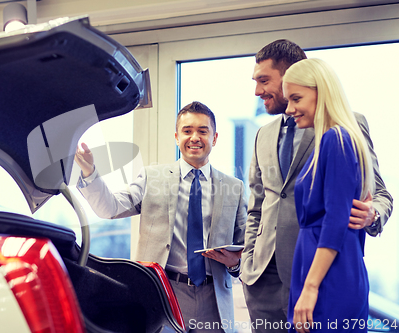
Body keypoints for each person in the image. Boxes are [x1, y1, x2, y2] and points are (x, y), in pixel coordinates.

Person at [240, 39, 393, 333]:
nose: (257, 91)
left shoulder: (345, 127)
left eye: (263, 80)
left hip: (320, 270)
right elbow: (257, 206)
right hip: (263, 280)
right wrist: (248, 261)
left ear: (293, 76)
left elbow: (379, 193)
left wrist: (372, 213)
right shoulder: (262, 134)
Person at [75, 101, 247, 333]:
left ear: (214, 138)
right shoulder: (151, 177)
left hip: (214, 298)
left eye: (202, 131)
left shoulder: (234, 187)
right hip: (162, 293)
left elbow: (246, 249)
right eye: (187, 131)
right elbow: (110, 207)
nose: (194, 137)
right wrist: (89, 173)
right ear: (177, 137)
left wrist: (235, 263)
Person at [283, 58, 373, 332]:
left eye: (296, 98)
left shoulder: (337, 139)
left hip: (328, 274)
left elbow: (336, 220)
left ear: (321, 92)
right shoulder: (329, 141)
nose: (289, 109)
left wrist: (310, 287)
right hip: (324, 266)